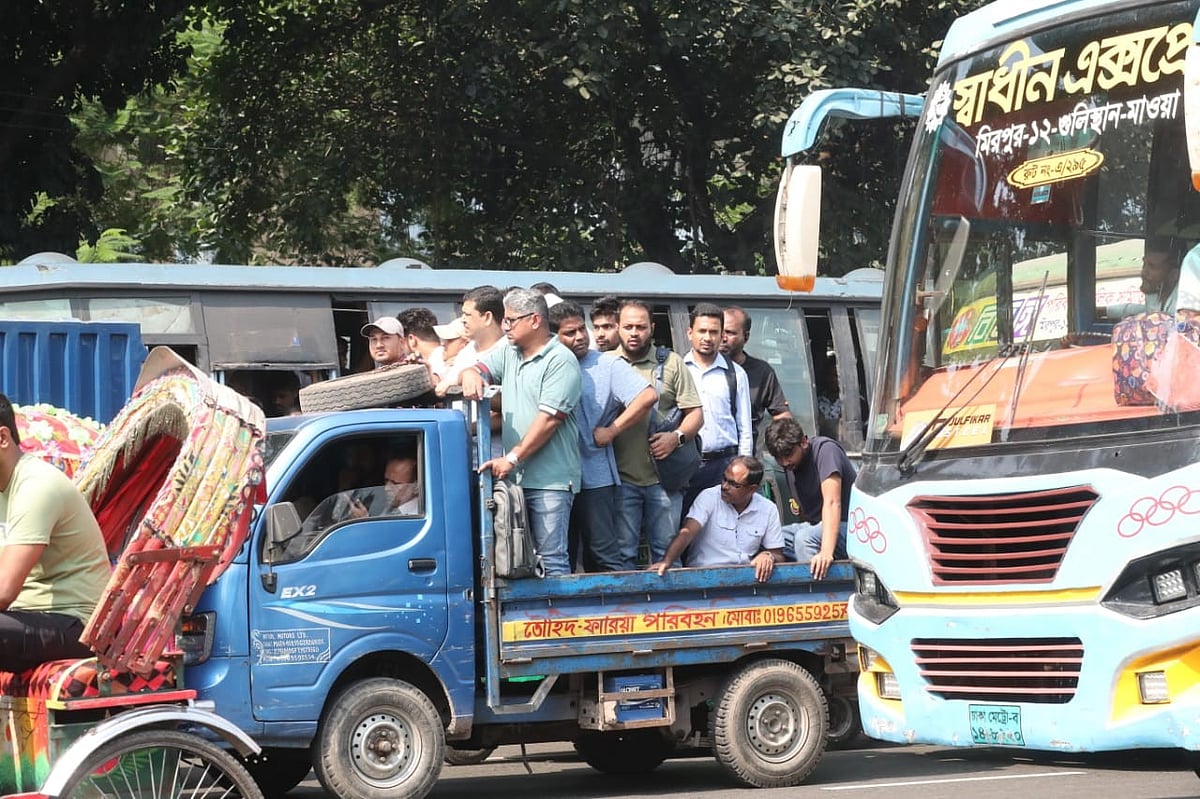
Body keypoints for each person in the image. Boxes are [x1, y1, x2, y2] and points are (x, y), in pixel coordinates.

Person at [461, 288, 582, 577]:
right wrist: (471, 373)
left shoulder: (561, 360)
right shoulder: (509, 351)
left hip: (550, 481)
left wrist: (512, 458)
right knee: (516, 557)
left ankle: (557, 609)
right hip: (515, 480)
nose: (505, 326)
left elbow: (549, 420)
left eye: (511, 320)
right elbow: (481, 367)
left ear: (535, 320)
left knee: (551, 560)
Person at [0, 394, 112, 672]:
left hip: (75, 624)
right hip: (27, 617)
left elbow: (3, 590)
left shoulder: (37, 486)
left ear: (2, 438)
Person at [549, 301, 657, 572]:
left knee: (603, 553)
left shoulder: (606, 364)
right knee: (559, 555)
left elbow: (647, 396)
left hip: (595, 476)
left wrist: (613, 430)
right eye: (569, 333)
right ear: (553, 336)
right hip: (555, 477)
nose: (580, 337)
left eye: (581, 329)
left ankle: (618, 600)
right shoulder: (547, 365)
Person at [613, 299, 703, 568]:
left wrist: (676, 438)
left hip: (664, 480)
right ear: (617, 327)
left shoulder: (672, 363)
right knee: (623, 556)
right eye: (628, 326)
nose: (634, 333)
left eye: (641, 327)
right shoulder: (606, 363)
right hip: (620, 478)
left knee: (667, 557)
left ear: (652, 328)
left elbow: (696, 415)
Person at [650, 456, 783, 583]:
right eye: (724, 479)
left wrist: (768, 556)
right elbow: (687, 533)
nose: (724, 486)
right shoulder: (709, 497)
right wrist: (667, 561)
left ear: (752, 489)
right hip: (703, 578)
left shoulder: (768, 509)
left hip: (747, 580)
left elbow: (778, 555)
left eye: (733, 484)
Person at [681, 303, 752, 517]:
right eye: (702, 331)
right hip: (687, 464)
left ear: (721, 335)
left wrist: (743, 467)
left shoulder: (735, 374)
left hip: (724, 466)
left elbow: (744, 427)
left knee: (723, 525)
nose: (707, 337)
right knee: (684, 524)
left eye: (713, 332)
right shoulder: (678, 370)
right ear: (690, 333)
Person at [764, 417, 856, 580]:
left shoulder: (825, 451)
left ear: (804, 442)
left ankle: (818, 592)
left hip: (851, 528)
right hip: (816, 525)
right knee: (774, 538)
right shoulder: (790, 465)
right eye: (778, 458)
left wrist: (826, 552)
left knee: (805, 538)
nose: (784, 462)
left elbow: (832, 502)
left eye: (788, 454)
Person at [722, 306, 790, 449]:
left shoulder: (762, 372)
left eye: (730, 332)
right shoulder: (701, 370)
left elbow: (781, 416)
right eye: (719, 331)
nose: (723, 338)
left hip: (749, 453)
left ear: (746, 337)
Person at [1103, 236, 1184, 319]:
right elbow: (1142, 311)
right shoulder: (1156, 292)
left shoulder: (1182, 307)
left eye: (1152, 267)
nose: (1143, 272)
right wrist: (1104, 311)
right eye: (1144, 264)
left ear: (1173, 275)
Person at [347, 455, 421, 518]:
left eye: (395, 484)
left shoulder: (418, 517)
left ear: (416, 487)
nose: (386, 488)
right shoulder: (387, 505)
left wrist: (365, 522)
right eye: (386, 480)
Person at [398, 307, 444, 381]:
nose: (400, 346)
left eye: (402, 341)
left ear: (412, 339)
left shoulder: (433, 367)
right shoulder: (452, 356)